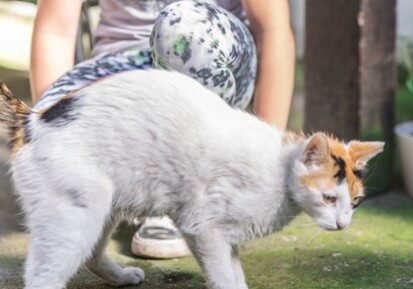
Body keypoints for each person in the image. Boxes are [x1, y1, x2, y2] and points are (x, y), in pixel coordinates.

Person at [30, 0, 295, 259]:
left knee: (179, 25)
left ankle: (186, 198)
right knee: (67, 108)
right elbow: (56, 31)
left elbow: (272, 30)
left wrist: (266, 162)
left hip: (207, 54)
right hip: (123, 61)